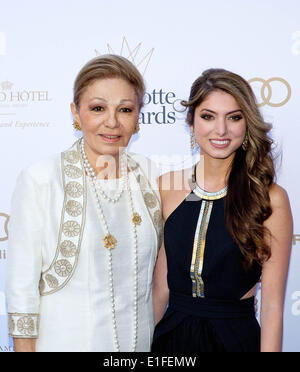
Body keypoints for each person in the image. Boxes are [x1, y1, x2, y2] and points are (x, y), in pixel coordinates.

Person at [6, 54, 162, 352]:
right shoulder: (41, 178)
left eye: (125, 109)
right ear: (75, 113)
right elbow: (21, 289)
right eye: (98, 108)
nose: (112, 122)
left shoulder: (149, 174)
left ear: (138, 116)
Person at [152, 68, 293, 352]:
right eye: (208, 116)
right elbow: (159, 291)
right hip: (171, 340)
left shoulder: (269, 198)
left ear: (247, 123)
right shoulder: (167, 187)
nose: (221, 130)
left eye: (234, 117)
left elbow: (272, 307)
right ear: (191, 123)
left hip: (235, 340)